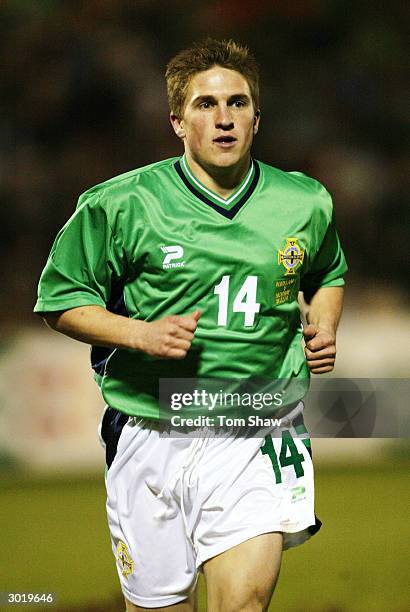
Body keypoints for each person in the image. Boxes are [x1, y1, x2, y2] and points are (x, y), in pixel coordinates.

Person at [34, 39, 347, 611]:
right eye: (205, 105)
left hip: (257, 425)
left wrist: (323, 325)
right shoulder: (120, 205)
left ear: (257, 117)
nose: (223, 118)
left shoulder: (304, 201)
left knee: (244, 603)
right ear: (177, 121)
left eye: (238, 102)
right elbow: (59, 300)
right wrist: (141, 334)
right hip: (152, 429)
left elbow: (327, 272)